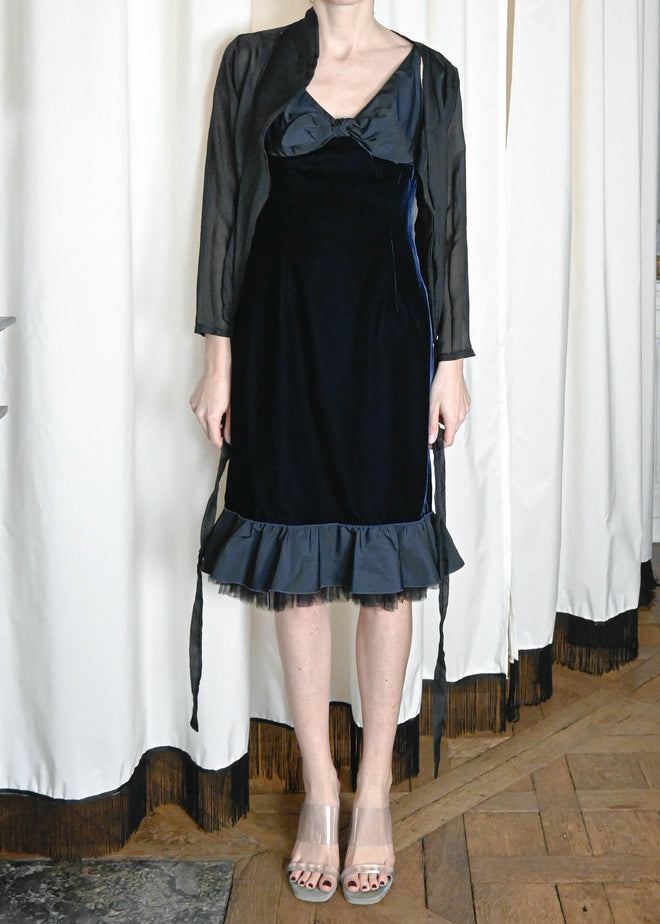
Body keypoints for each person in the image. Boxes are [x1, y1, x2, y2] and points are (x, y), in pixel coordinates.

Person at [189, 0, 474, 906]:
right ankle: (319, 789)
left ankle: (374, 790)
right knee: (297, 559)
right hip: (279, 340)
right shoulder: (252, 62)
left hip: (388, 345)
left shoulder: (429, 77)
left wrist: (452, 365)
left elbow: (446, 230)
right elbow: (224, 210)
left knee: (387, 566)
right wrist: (218, 360)